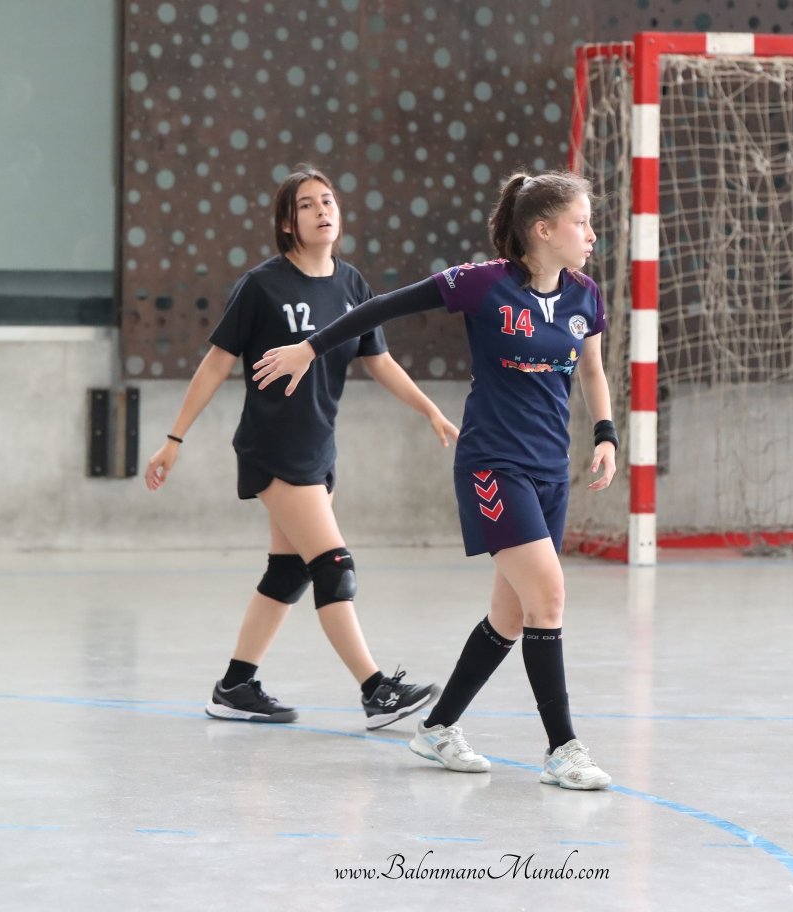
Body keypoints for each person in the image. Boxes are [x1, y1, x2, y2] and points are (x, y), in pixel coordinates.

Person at [253, 170, 619, 790]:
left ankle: (437, 727)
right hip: (493, 466)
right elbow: (379, 307)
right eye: (581, 223)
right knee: (550, 598)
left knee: (512, 616)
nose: (591, 235)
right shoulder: (482, 284)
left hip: (550, 470)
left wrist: (606, 433)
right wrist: (310, 349)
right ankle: (563, 749)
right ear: (543, 230)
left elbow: (591, 371)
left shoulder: (584, 295)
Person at [144, 166, 452, 730]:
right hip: (274, 447)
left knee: (288, 572)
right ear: (288, 223)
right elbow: (215, 363)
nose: (321, 211)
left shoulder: (351, 285)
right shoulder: (262, 285)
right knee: (334, 567)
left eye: (327, 200)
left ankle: (235, 686)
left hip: (318, 449)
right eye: (306, 205)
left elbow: (380, 361)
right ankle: (375, 690)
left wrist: (429, 409)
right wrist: (173, 438)